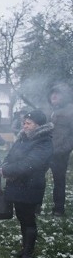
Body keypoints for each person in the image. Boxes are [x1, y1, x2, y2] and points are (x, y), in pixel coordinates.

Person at [1, 110, 53, 258]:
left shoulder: (44, 141)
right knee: (22, 218)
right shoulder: (22, 138)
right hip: (17, 184)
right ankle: (24, 247)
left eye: (28, 123)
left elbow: (31, 164)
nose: (24, 125)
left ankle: (28, 254)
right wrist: (5, 165)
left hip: (31, 185)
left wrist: (8, 170)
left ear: (38, 125)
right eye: (24, 122)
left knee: (29, 220)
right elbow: (10, 155)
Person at [46, 83, 73, 217]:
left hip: (60, 153)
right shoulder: (50, 110)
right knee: (37, 177)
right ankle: (36, 206)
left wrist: (65, 149)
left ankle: (58, 209)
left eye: (58, 94)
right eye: (52, 93)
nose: (54, 96)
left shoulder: (71, 111)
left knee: (59, 181)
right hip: (45, 151)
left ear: (65, 96)